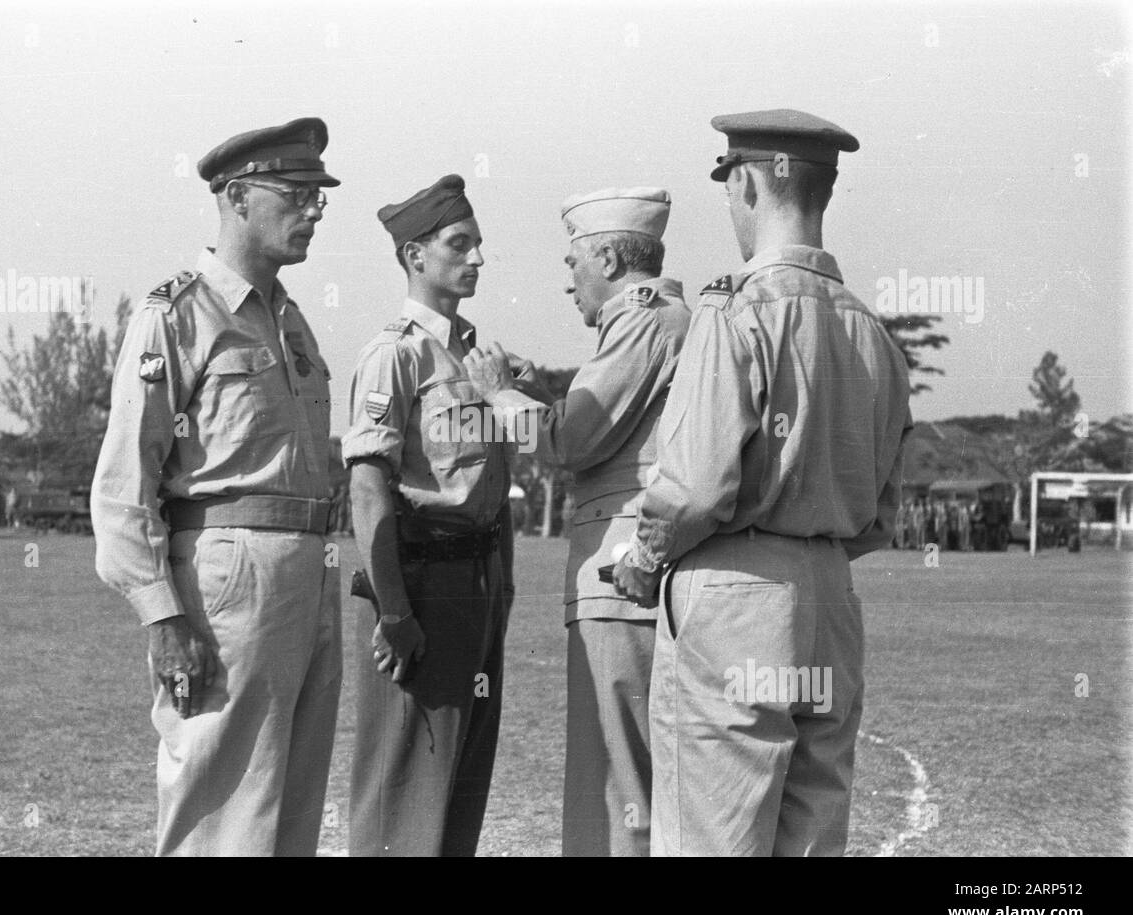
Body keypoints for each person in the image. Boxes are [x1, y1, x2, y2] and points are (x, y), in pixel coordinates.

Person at [613, 109, 913, 856]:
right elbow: (881, 512)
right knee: (809, 837)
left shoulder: (734, 309)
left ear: (746, 182)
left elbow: (694, 489)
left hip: (736, 591)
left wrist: (643, 560)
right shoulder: (871, 332)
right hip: (830, 595)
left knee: (711, 837)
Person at [91, 117, 343, 856]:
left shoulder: (291, 322)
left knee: (290, 807)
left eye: (319, 195)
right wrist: (161, 616)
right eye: (297, 193)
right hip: (228, 574)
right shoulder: (178, 314)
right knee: (220, 806)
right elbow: (122, 484)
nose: (315, 209)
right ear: (236, 196)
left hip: (311, 566)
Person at [464, 187, 691, 856]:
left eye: (575, 265)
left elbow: (570, 443)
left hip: (619, 583)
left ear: (612, 258)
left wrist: (497, 395)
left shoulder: (646, 321)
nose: (570, 284)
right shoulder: (657, 322)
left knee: (616, 794)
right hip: (632, 577)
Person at [342, 174, 515, 856]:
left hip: (477, 583)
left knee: (458, 789)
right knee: (404, 795)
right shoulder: (396, 353)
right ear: (415, 256)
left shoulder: (474, 355)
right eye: (459, 244)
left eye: (477, 244)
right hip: (421, 585)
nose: (476, 259)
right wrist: (394, 611)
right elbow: (367, 489)